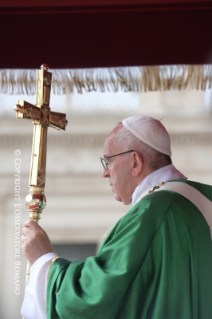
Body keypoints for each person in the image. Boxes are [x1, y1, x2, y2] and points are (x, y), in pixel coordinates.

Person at [21, 115, 212, 319]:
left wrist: (45, 262)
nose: (105, 173)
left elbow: (96, 297)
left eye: (108, 161)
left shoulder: (151, 213)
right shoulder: (204, 198)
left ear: (135, 162)